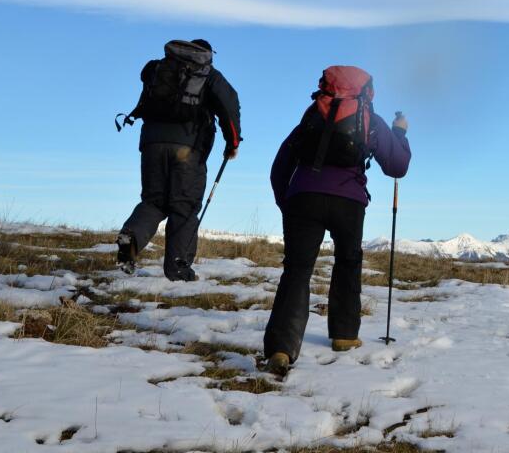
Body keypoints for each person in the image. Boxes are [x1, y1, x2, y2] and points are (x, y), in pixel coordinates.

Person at [263, 65, 410, 375]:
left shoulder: (313, 113)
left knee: (297, 270)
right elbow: (397, 166)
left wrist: (285, 201)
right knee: (348, 261)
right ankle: (344, 334)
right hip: (349, 201)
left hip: (303, 198)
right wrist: (400, 133)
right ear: (366, 91)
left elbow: (281, 163)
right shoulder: (369, 119)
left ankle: (281, 348)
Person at [116, 39, 241, 281]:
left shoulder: (159, 69)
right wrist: (232, 143)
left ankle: (128, 244)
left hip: (151, 143)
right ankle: (178, 269)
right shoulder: (210, 75)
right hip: (187, 148)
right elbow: (230, 106)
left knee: (153, 202)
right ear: (206, 54)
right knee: (184, 207)